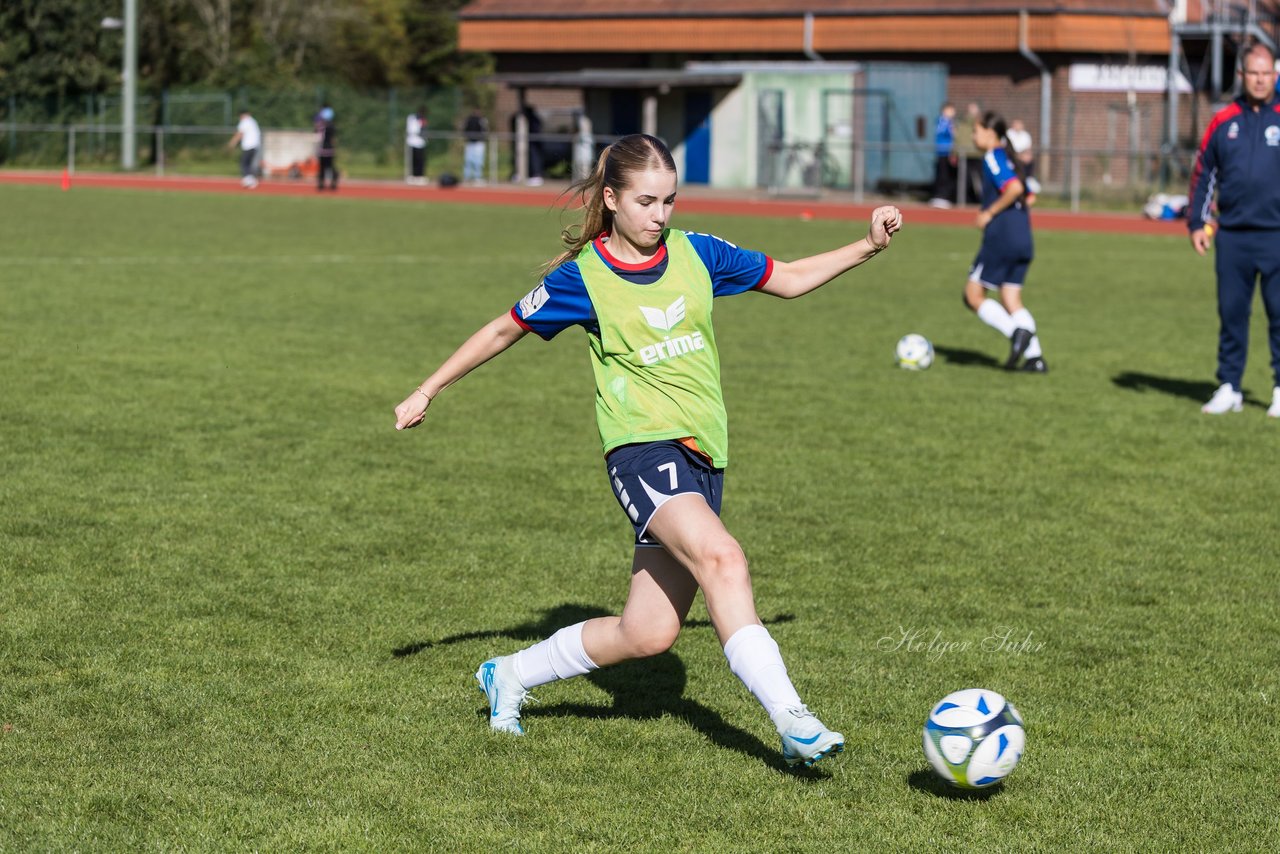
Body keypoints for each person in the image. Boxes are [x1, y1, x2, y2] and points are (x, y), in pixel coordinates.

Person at [393, 134, 903, 768]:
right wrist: (427, 388)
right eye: (645, 201)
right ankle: (792, 719)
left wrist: (869, 245)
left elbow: (792, 279)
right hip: (640, 451)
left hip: (703, 455)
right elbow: (503, 329)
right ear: (611, 199)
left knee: (649, 634)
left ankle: (511, 676)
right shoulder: (583, 279)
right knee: (724, 558)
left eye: (669, 200)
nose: (660, 215)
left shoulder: (700, 254)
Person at [1190, 42, 1280, 417]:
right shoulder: (1223, 119)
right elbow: (1203, 172)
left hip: (1277, 236)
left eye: (1266, 73)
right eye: (1252, 73)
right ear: (1241, 76)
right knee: (1231, 314)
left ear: (1275, 74)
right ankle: (1229, 386)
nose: (1259, 80)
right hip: (1233, 238)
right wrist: (1197, 221)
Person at [962, 110, 1047, 373]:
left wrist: (989, 212)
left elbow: (1015, 189)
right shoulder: (1011, 158)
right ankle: (1035, 359)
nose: (974, 136)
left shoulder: (993, 156)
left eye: (976, 131)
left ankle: (1016, 333)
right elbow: (1029, 195)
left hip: (1003, 236)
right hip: (1023, 235)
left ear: (990, 133)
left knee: (972, 295)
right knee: (1011, 298)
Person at [1004, 119, 1040, 203]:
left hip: (1022, 159)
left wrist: (1026, 156)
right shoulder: (1009, 134)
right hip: (1012, 159)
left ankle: (1028, 184)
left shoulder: (1025, 135)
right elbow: (1009, 150)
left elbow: (1028, 150)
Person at [929, 102, 957, 208]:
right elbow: (943, 132)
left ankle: (944, 196)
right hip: (942, 152)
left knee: (947, 175)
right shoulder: (943, 121)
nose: (953, 112)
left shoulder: (949, 122)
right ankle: (940, 196)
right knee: (943, 175)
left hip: (948, 152)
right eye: (951, 110)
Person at [227, 108, 260, 189]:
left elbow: (240, 134)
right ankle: (251, 180)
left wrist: (232, 143)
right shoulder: (253, 121)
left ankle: (249, 180)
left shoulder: (245, 121)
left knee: (244, 163)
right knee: (248, 163)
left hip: (249, 146)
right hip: (255, 146)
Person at [463, 108, 488, 184]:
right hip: (474, 143)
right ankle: (469, 177)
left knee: (476, 161)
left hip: (476, 143)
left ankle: (476, 177)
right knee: (470, 161)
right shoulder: (473, 120)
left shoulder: (481, 120)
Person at [315, 106, 338, 191]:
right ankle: (333, 183)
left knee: (322, 167)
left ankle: (321, 184)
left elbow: (318, 137)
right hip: (330, 150)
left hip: (323, 149)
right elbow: (333, 139)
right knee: (330, 167)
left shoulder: (321, 126)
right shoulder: (332, 126)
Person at [406, 106, 427, 185]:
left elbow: (424, 129)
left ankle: (420, 176)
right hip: (412, 142)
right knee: (412, 160)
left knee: (420, 161)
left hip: (420, 143)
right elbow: (411, 129)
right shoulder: (412, 118)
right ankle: (412, 176)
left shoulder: (423, 119)